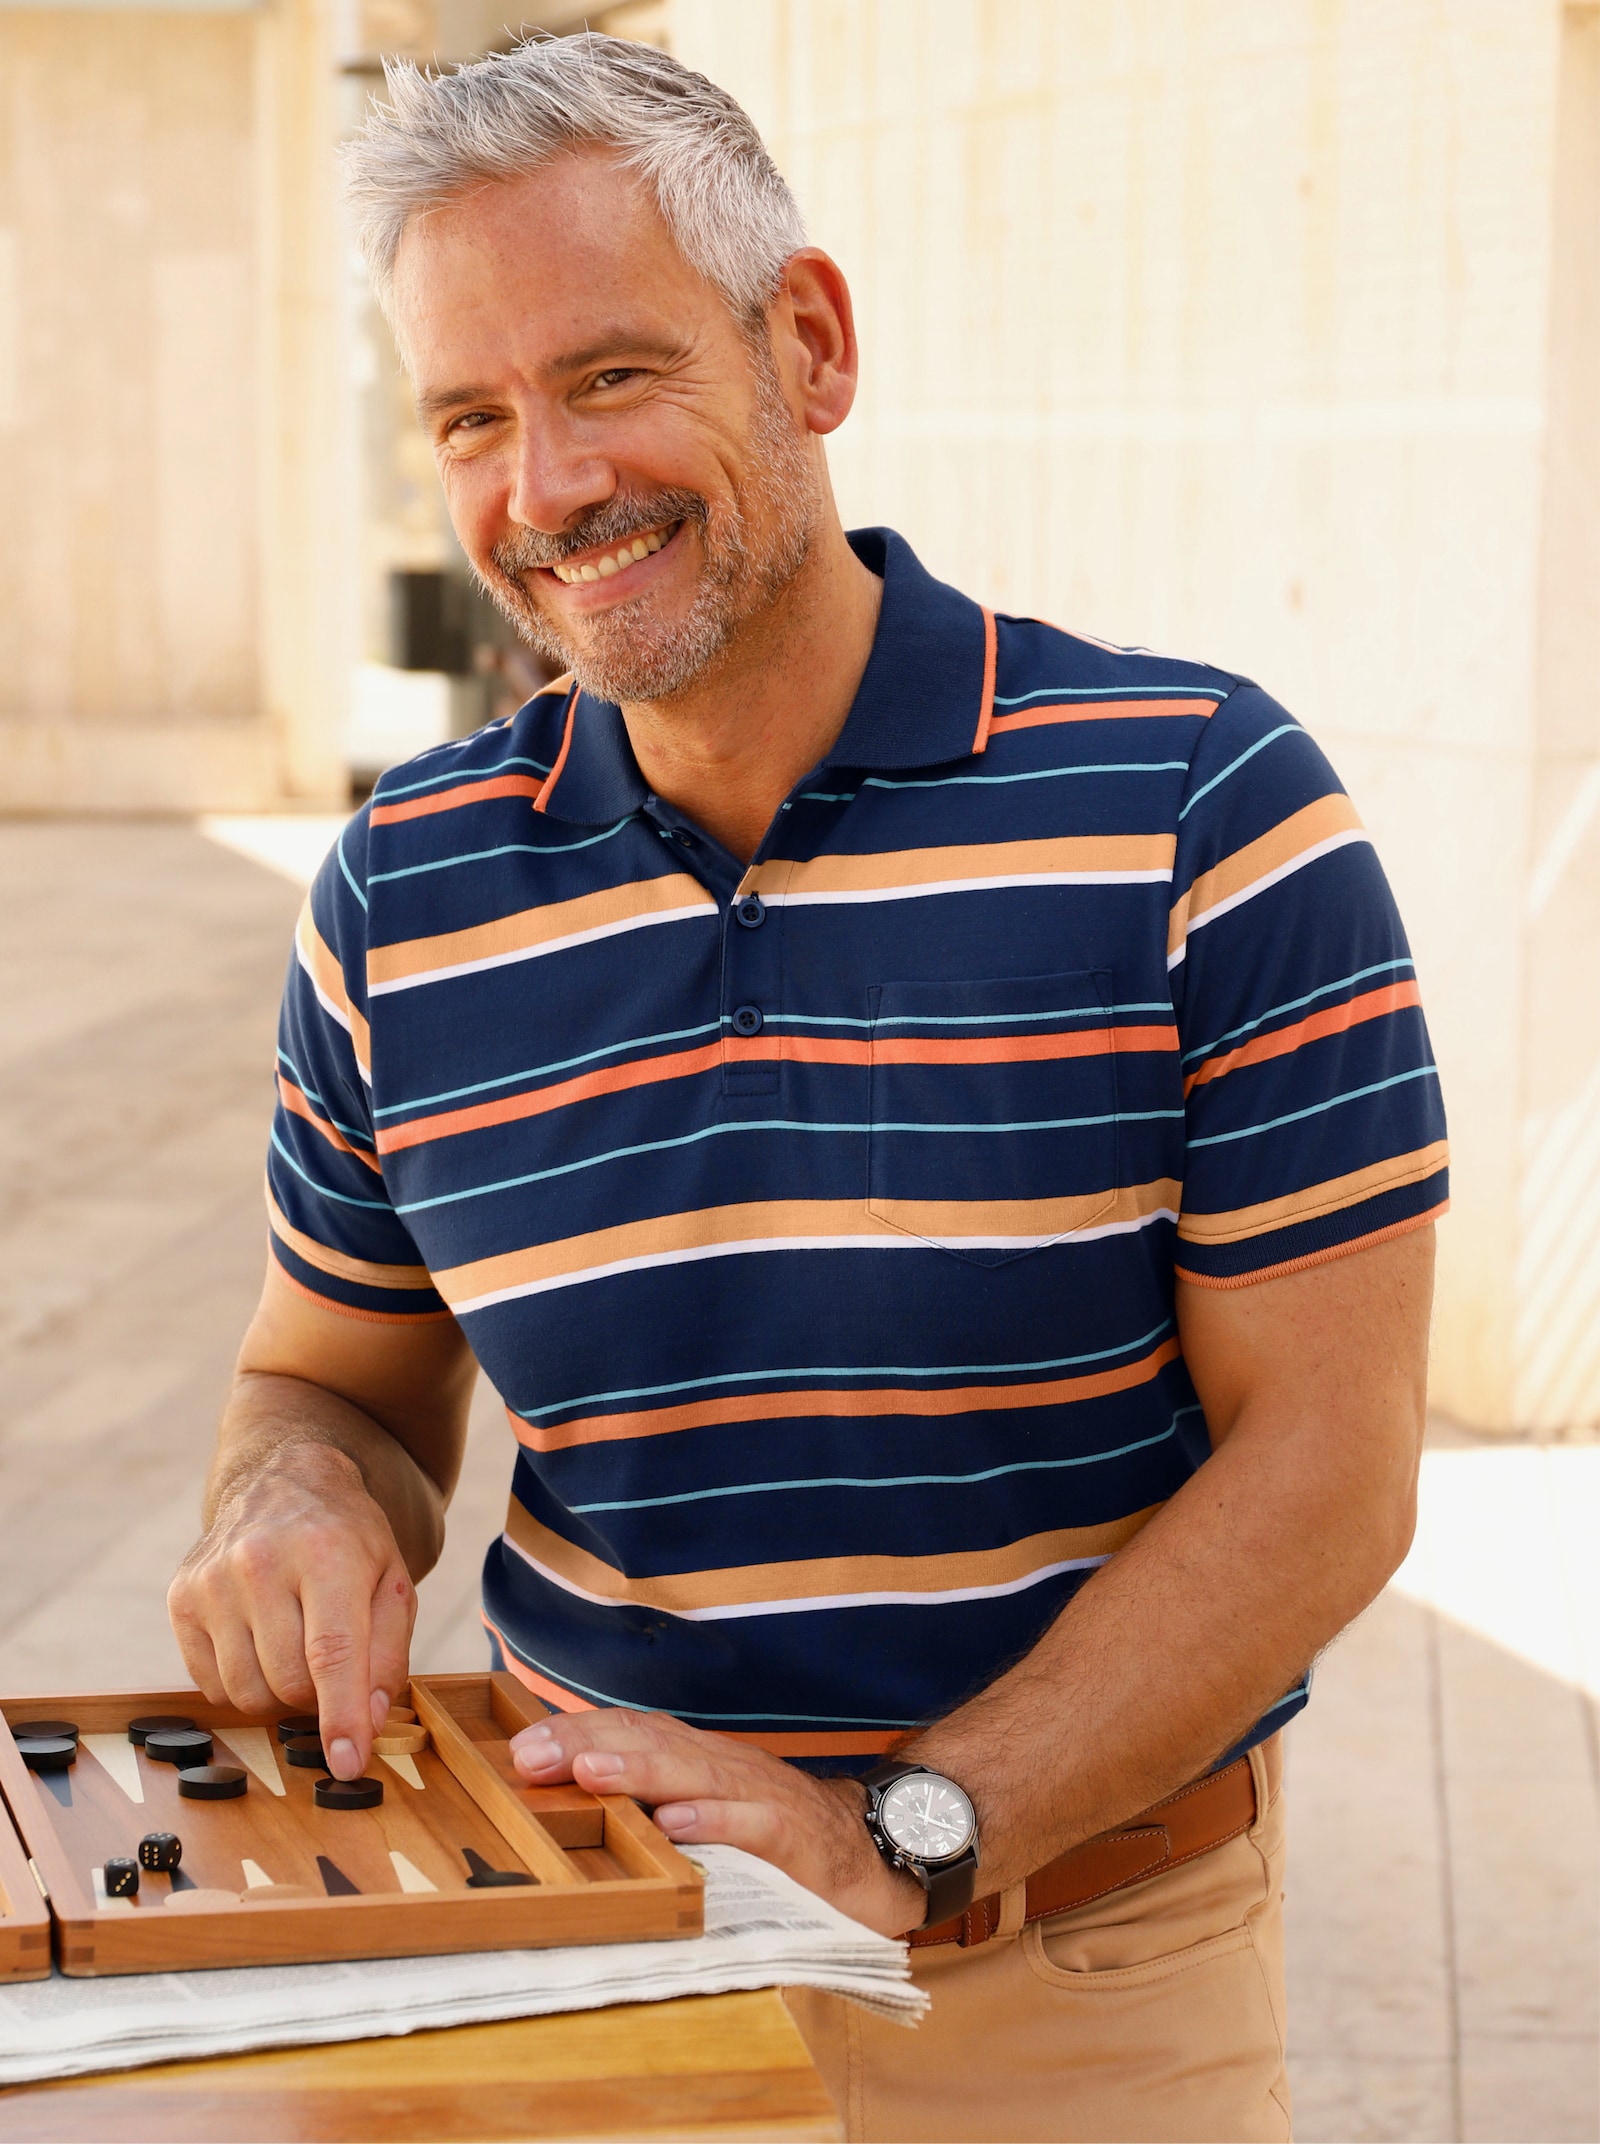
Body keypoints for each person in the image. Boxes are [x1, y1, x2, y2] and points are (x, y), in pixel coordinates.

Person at [168, 34, 1445, 2142]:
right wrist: (292, 1502)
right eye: (471, 418)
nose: (546, 487)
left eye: (606, 377)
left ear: (810, 345)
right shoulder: (395, 896)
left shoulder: (1202, 812)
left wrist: (910, 1829)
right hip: (562, 1957)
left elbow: (1326, 1464)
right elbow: (329, 1388)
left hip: (1072, 1973)